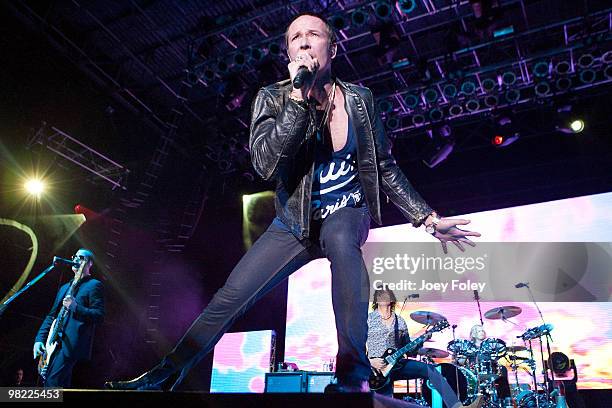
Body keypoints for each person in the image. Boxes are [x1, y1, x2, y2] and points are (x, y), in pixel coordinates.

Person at [105, 12, 480, 392]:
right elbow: (267, 165)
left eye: (313, 34)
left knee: (341, 243)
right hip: (294, 223)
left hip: (346, 210)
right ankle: (165, 374)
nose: (303, 41)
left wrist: (428, 218)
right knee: (229, 296)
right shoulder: (272, 98)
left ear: (331, 48)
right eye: (295, 37)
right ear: (288, 51)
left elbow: (383, 166)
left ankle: (352, 373)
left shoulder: (360, 100)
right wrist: (298, 100)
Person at [368, 290, 483, 407]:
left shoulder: (400, 322)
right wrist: (370, 361)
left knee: (432, 371)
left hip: (397, 364)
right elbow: (355, 345)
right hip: (374, 369)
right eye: (380, 295)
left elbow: (410, 351)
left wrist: (422, 340)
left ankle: (457, 406)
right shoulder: (368, 320)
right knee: (383, 400)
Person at [33, 249, 104, 387]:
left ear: (89, 263)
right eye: (74, 256)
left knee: (52, 385)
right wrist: (39, 340)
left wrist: (76, 307)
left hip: (70, 346)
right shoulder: (65, 287)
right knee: (53, 386)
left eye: (81, 257)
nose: (76, 259)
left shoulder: (94, 285)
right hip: (54, 343)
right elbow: (51, 316)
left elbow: (99, 315)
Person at [463, 325, 511, 400]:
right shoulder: (469, 347)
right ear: (473, 334)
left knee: (503, 368)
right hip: (474, 371)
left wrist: (494, 358)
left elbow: (495, 360)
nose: (482, 332)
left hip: (490, 369)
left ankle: (506, 399)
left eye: (482, 330)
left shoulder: (490, 345)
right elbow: (462, 362)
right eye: (479, 331)